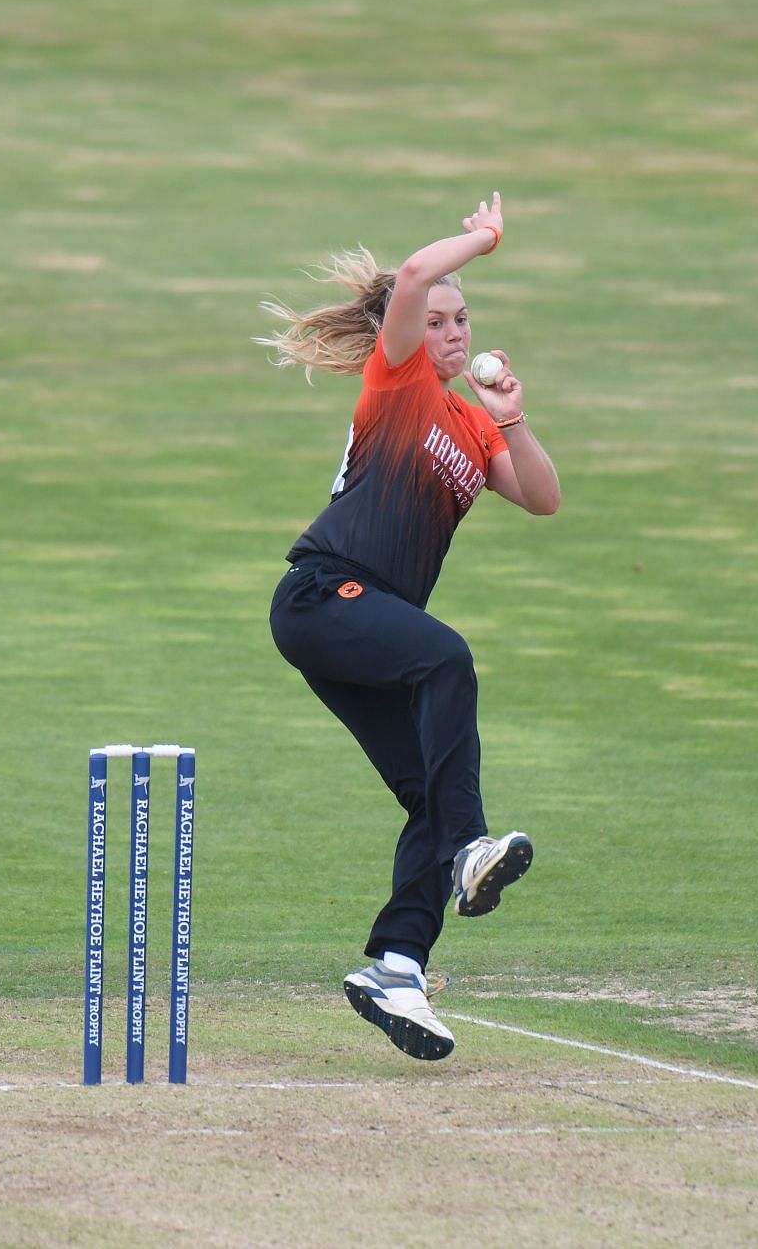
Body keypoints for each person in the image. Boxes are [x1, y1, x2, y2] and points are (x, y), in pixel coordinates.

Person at [258, 193, 562, 1061]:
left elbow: (542, 498)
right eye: (438, 320)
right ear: (405, 328)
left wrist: (511, 412)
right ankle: (470, 848)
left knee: (429, 792)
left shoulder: (472, 423)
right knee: (448, 660)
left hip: (370, 628)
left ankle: (398, 965)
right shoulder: (394, 380)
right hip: (323, 598)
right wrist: (484, 239)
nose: (454, 330)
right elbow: (422, 270)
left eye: (464, 318)